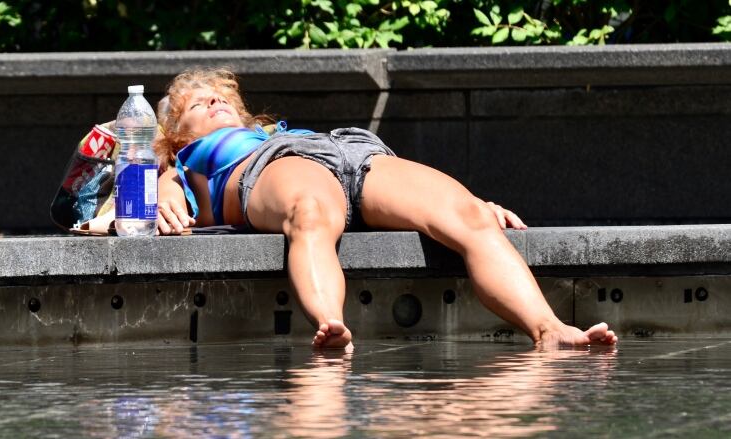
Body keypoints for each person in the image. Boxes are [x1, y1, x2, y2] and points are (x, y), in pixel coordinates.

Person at [154, 68, 618, 351]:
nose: (215, 100)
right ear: (177, 135)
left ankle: (550, 330)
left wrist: (474, 200)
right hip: (279, 168)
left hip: (352, 149)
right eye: (199, 102)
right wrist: (165, 187)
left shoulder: (271, 129)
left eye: (223, 98)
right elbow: (132, 181)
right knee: (311, 214)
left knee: (470, 215)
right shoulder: (183, 162)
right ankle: (330, 326)